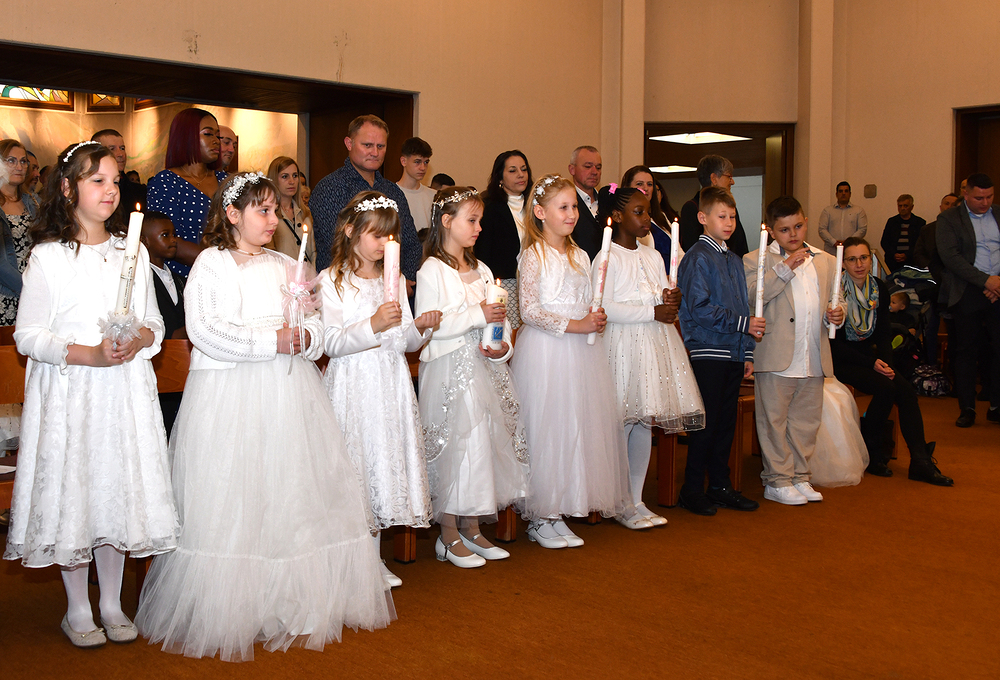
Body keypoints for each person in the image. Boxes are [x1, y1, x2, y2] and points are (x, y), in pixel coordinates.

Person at [135, 172, 395, 661]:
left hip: (289, 391)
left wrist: (306, 336)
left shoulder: (286, 264)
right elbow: (206, 331)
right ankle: (235, 605)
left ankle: (289, 598)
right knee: (237, 491)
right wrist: (270, 341)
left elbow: (317, 327)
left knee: (289, 491)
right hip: (230, 394)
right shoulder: (211, 264)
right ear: (232, 214)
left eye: (276, 210)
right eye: (263, 210)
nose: (274, 219)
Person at [5, 141, 178, 648]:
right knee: (77, 491)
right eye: (96, 180)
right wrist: (90, 354)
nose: (109, 190)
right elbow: (28, 336)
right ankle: (78, 607)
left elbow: (153, 322)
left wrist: (139, 339)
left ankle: (112, 602)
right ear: (67, 187)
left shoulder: (132, 251)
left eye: (115, 180)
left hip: (123, 391)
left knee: (113, 490)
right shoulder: (49, 257)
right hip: (73, 390)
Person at [320, 190, 440, 587]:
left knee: (381, 466)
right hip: (353, 385)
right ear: (350, 230)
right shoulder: (333, 280)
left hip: (390, 384)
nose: (384, 244)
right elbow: (331, 343)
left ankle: (372, 557)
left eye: (391, 237)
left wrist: (419, 328)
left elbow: (402, 341)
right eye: (376, 235)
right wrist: (373, 323)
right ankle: (351, 559)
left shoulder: (395, 280)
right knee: (355, 466)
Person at [511, 174, 635, 548]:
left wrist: (593, 316)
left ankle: (561, 508)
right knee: (548, 427)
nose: (571, 214)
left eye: (574, 207)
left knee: (575, 426)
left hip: (580, 352)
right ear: (540, 212)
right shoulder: (533, 255)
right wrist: (576, 324)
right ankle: (541, 515)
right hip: (547, 351)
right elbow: (529, 311)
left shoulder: (580, 255)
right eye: (562, 207)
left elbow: (585, 299)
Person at [415, 186, 528, 568]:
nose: (479, 227)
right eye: (472, 220)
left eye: (480, 220)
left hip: (484, 369)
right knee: (455, 451)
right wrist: (478, 314)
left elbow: (500, 319)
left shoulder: (482, 270)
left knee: (482, 450)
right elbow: (431, 328)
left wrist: (502, 345)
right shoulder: (432, 270)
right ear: (447, 222)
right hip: (449, 372)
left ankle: (473, 528)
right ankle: (448, 534)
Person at [595, 184, 705, 528]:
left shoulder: (653, 255)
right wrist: (652, 311)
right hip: (621, 346)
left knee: (644, 421)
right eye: (638, 212)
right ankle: (620, 501)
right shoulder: (606, 257)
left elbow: (660, 295)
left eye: (648, 211)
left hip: (653, 344)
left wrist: (670, 301)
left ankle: (636, 499)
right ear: (617, 217)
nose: (646, 219)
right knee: (623, 423)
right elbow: (603, 306)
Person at [743, 196, 845, 505]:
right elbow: (752, 296)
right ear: (772, 231)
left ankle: (800, 475)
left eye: (798, 226)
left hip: (812, 351)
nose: (793, 234)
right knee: (774, 420)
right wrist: (785, 268)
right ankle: (777, 479)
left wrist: (838, 313)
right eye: (785, 230)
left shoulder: (825, 260)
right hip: (776, 353)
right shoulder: (756, 259)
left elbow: (837, 298)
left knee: (806, 420)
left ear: (806, 222)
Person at [831, 237, 953, 486]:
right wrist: (872, 364)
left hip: (871, 357)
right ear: (843, 263)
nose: (859, 265)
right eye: (852, 259)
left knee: (905, 390)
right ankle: (872, 450)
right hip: (842, 359)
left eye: (863, 258)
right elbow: (833, 345)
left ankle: (920, 461)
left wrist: (887, 363)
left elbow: (884, 333)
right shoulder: (835, 291)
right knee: (886, 388)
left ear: (870, 259)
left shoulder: (878, 288)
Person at [676, 187, 762, 515]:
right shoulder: (698, 256)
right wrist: (743, 324)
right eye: (721, 216)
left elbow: (743, 306)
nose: (728, 223)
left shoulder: (734, 260)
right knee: (706, 424)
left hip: (733, 352)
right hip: (708, 351)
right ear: (702, 217)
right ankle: (692, 488)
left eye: (732, 217)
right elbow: (699, 308)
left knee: (726, 424)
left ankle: (719, 485)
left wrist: (747, 352)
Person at [310, 115, 419, 286]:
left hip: (393, 284)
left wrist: (404, 279)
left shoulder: (392, 191)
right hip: (343, 285)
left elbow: (410, 242)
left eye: (380, 146)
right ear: (349, 143)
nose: (375, 153)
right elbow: (339, 244)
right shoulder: (330, 188)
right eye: (367, 145)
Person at [936, 174, 1000, 427]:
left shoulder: (998, 214)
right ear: (966, 194)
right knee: (966, 350)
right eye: (979, 198)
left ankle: (996, 405)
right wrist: (985, 281)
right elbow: (951, 257)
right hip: (967, 290)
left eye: (989, 197)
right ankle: (967, 408)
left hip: (998, 288)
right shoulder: (949, 219)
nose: (985, 202)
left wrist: (996, 282)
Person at [146, 108, 225, 277]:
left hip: (229, 272)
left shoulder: (225, 180)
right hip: (185, 276)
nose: (216, 141)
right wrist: (221, 265)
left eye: (217, 136)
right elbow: (167, 240)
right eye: (208, 134)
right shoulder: (166, 181)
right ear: (186, 137)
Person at [474, 150, 533, 329]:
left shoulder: (536, 205)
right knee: (509, 334)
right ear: (500, 177)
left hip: (535, 282)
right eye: (513, 170)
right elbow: (483, 252)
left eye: (524, 169)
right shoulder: (489, 207)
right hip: (506, 283)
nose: (521, 174)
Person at [141, 211, 186, 435]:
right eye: (165, 235)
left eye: (174, 234)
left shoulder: (179, 279)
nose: (174, 240)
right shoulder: (142, 280)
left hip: (182, 365)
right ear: (145, 241)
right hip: (159, 366)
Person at [0, 139, 39, 325]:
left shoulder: (33, 201)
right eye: (11, 160)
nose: (19, 166)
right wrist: (28, 289)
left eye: (23, 161)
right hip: (6, 293)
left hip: (34, 288)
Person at [679, 155, 749, 256]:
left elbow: (740, 245)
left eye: (732, 217)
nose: (732, 182)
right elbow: (692, 248)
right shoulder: (691, 208)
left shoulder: (730, 208)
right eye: (729, 177)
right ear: (714, 178)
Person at [266, 156, 314, 264]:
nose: (292, 181)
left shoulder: (306, 212)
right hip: (282, 272)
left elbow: (313, 251)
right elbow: (269, 253)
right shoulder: (269, 215)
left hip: (309, 272)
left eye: (295, 176)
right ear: (274, 179)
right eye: (285, 176)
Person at [91, 128, 146, 215]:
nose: (120, 154)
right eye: (112, 149)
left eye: (122, 148)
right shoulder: (91, 189)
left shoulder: (139, 192)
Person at [568, 146, 604, 261]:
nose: (594, 172)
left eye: (598, 167)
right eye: (588, 166)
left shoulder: (606, 201)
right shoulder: (566, 203)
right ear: (572, 169)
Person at [621, 164, 668, 253]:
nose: (645, 188)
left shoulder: (661, 216)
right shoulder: (624, 218)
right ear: (627, 188)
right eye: (639, 184)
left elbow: (679, 252)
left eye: (649, 184)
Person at [395, 137, 436, 235]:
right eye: (417, 162)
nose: (423, 167)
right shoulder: (392, 193)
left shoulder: (434, 196)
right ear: (403, 161)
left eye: (426, 162)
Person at [818, 181, 868, 255]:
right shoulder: (827, 211)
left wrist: (848, 242)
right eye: (841, 191)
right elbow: (822, 229)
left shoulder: (859, 211)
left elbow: (862, 229)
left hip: (851, 251)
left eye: (846, 191)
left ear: (850, 194)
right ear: (836, 194)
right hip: (831, 251)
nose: (843, 193)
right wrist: (834, 242)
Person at [880, 194, 925, 273]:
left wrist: (907, 255)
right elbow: (884, 242)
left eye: (905, 206)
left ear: (912, 207)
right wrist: (894, 254)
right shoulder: (892, 222)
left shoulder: (919, 223)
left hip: (912, 262)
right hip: (893, 262)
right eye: (900, 206)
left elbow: (920, 244)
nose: (902, 208)